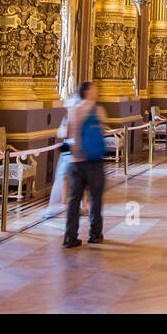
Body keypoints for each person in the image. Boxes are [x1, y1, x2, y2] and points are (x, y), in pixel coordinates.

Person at [63, 81, 108, 248]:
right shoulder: (97, 110)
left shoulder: (72, 110)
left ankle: (70, 236)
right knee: (95, 198)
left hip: (75, 161)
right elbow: (103, 131)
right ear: (88, 91)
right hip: (93, 161)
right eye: (93, 88)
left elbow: (66, 133)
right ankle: (95, 234)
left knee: (74, 200)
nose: (96, 91)